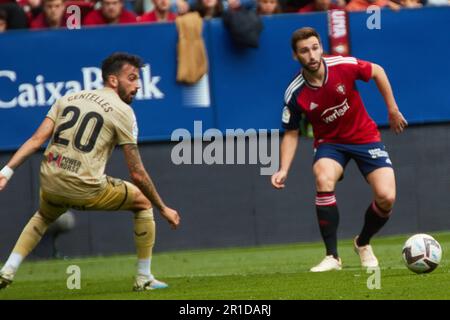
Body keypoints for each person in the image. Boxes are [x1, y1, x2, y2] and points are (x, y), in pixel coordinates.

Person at [0, 52, 180, 291]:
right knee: (143, 201)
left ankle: (7, 270)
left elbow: (35, 140)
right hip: (85, 187)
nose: (137, 85)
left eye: (139, 79)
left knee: (44, 215)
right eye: (132, 78)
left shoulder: (68, 98)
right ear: (113, 80)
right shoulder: (123, 111)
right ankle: (144, 277)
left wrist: (7, 171)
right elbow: (136, 173)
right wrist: (163, 207)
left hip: (50, 181)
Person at [271, 27, 407, 272]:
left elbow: (378, 71)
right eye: (304, 51)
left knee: (387, 197)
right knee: (323, 177)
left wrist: (392, 109)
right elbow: (291, 132)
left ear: (321, 47)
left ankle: (362, 243)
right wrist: (283, 169)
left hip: (365, 136)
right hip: (330, 145)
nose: (311, 55)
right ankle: (332, 257)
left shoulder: (342, 65)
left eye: (315, 48)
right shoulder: (294, 93)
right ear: (295, 56)